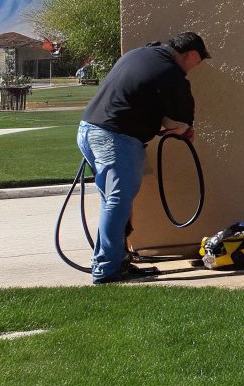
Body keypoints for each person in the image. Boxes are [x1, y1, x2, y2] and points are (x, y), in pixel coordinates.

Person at [76, 31, 210, 284]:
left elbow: (141, 97)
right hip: (116, 137)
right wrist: (183, 129)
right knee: (117, 201)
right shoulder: (171, 73)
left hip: (88, 129)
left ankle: (118, 260)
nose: (195, 67)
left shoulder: (139, 54)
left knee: (113, 201)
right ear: (191, 54)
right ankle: (106, 269)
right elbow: (179, 121)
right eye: (198, 61)